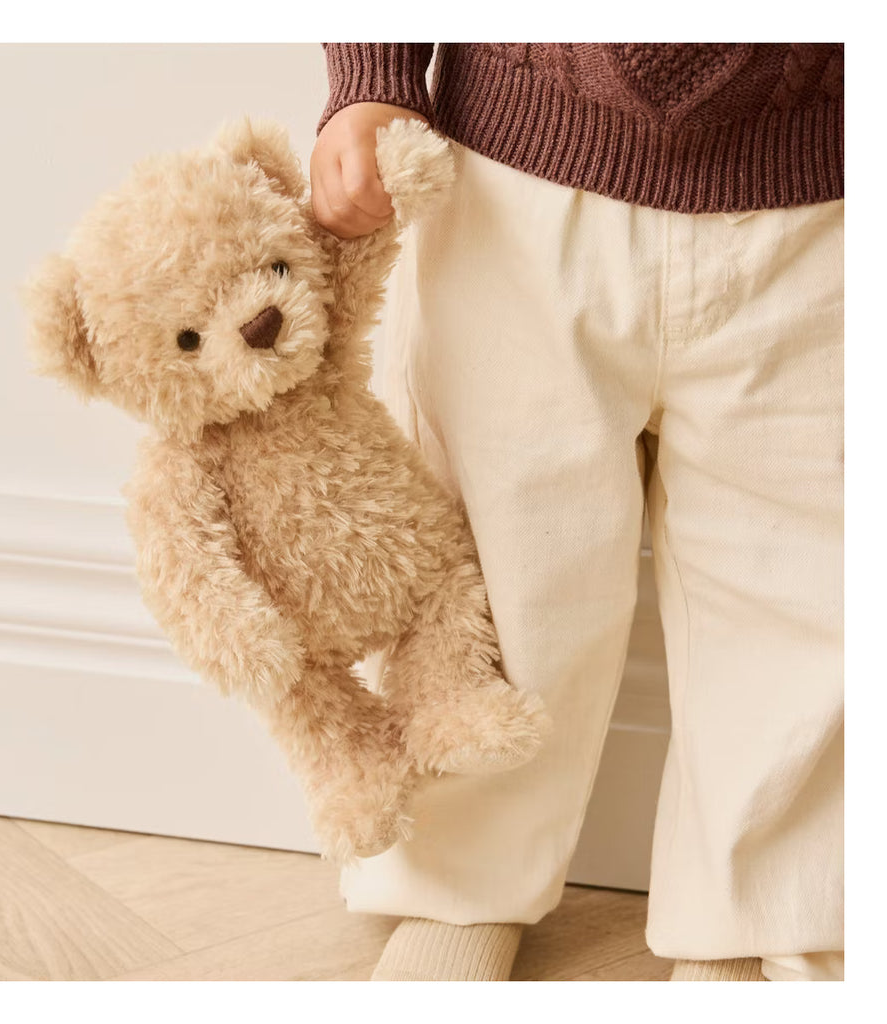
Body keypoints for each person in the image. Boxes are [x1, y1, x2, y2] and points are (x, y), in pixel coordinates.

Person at [309, 43, 844, 983]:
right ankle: (457, 884)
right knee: (494, 571)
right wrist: (372, 75)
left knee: (805, 583)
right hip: (514, 180)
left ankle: (765, 917)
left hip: (827, 192)